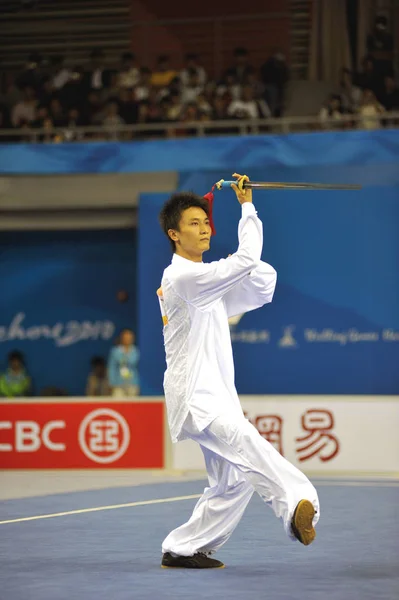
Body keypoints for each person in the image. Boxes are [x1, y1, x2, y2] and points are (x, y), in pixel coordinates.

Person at [157, 173, 320, 569]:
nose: (204, 228)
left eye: (206, 221)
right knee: (246, 442)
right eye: (193, 223)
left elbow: (262, 282)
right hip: (196, 395)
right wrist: (247, 206)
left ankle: (183, 547)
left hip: (216, 395)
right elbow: (245, 260)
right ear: (173, 234)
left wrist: (244, 262)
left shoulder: (207, 287)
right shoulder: (182, 277)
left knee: (231, 481)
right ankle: (301, 504)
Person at [108, 328, 139, 397]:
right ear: (122, 338)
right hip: (118, 383)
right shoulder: (115, 351)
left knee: (132, 405)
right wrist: (112, 382)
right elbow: (111, 368)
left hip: (132, 383)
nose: (127, 339)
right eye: (125, 337)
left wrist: (126, 355)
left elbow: (133, 362)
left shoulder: (135, 351)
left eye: (129, 338)